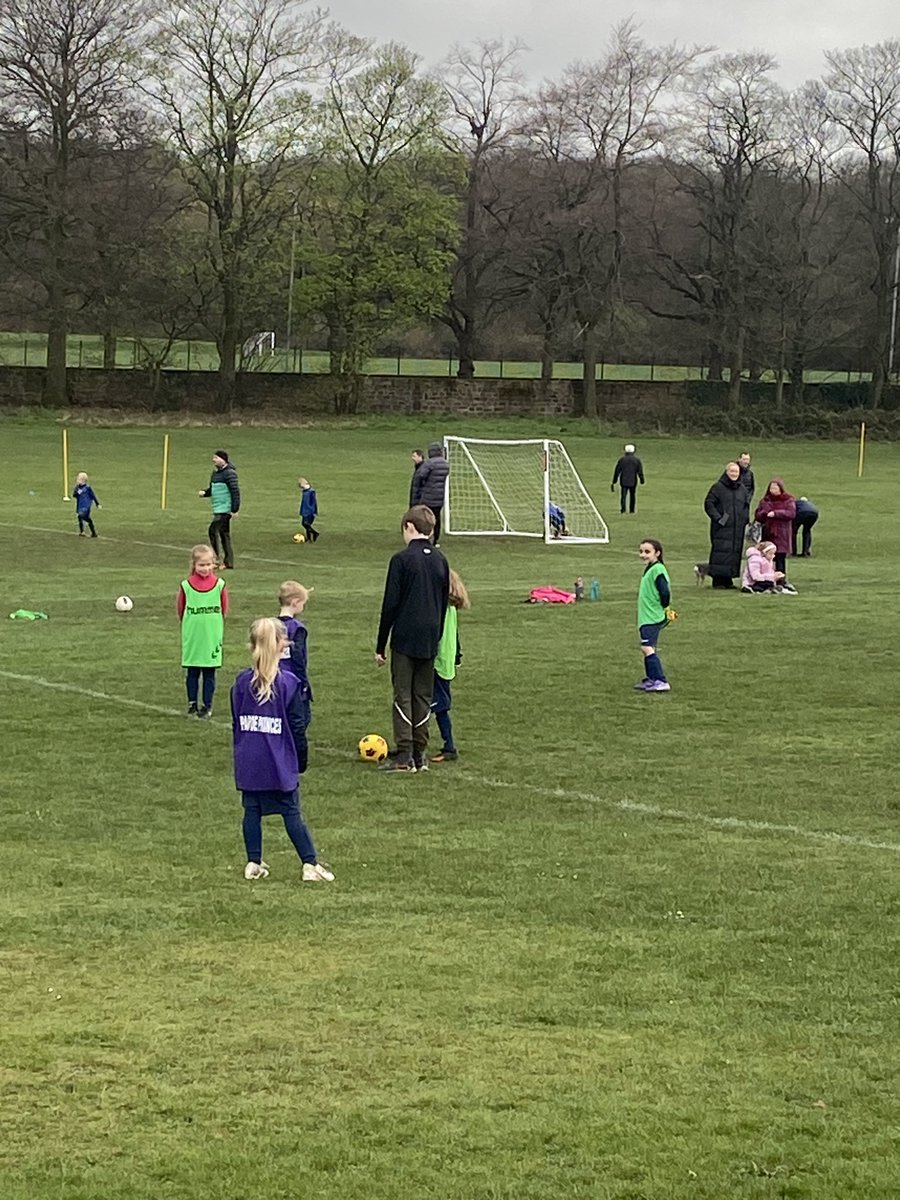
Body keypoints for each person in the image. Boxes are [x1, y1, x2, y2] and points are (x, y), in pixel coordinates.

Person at [231, 617, 334, 883]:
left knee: (252, 810)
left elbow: (236, 719)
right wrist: (300, 760)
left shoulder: (241, 682)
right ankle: (309, 863)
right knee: (291, 811)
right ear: (281, 646)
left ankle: (253, 862)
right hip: (278, 760)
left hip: (249, 758)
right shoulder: (289, 683)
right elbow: (298, 726)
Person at [375, 505, 449, 773]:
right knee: (423, 694)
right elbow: (442, 602)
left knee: (403, 694)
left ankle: (405, 754)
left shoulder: (401, 560)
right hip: (430, 636)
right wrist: (437, 636)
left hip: (406, 635)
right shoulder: (441, 559)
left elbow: (390, 604)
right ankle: (421, 753)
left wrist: (380, 645)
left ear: (409, 527)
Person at [177, 543, 228, 718]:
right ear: (194, 565)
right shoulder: (186, 585)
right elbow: (181, 610)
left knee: (209, 672)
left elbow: (224, 609)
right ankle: (192, 703)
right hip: (193, 635)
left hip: (211, 635)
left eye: (208, 564)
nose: (205, 569)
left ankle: (207, 705)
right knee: (192, 671)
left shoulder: (220, 584)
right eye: (201, 565)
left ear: (213, 564)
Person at [430, 569, 470, 763]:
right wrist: (457, 656)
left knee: (438, 706)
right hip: (446, 662)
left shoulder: (442, 607)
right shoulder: (451, 607)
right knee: (437, 704)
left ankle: (449, 747)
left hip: (438, 662)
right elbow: (454, 635)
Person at [276, 580, 313, 773]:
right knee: (301, 720)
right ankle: (297, 759)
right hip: (293, 682)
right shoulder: (297, 628)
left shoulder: (272, 626)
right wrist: (304, 683)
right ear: (295, 602)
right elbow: (299, 658)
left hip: (274, 679)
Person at [703, 462, 750, 589]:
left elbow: (746, 506)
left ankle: (728, 579)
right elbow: (709, 504)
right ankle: (718, 580)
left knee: (734, 552)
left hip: (737, 527)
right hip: (722, 527)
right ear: (726, 472)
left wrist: (745, 520)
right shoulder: (717, 487)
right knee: (721, 551)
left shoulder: (742, 489)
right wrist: (718, 518)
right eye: (732, 471)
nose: (734, 474)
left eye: (736, 472)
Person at [635, 538, 672, 692]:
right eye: (641, 551)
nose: (643, 555)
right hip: (648, 615)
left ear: (657, 553)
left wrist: (664, 607)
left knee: (647, 647)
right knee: (649, 647)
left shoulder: (657, 570)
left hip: (652, 616)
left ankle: (660, 680)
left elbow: (665, 591)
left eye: (647, 552)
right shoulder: (652, 568)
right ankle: (651, 678)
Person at [199, 450, 240, 569]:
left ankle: (217, 559)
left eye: (216, 458)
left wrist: (234, 509)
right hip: (217, 508)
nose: (213, 460)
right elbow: (214, 489)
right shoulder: (215, 473)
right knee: (224, 534)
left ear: (223, 459)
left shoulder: (230, 474)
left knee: (213, 530)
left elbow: (235, 492)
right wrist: (205, 493)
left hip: (225, 509)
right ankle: (228, 562)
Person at [755, 479, 797, 593]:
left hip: (781, 534)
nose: (773, 490)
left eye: (775, 488)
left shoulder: (788, 500)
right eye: (771, 488)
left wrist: (776, 513)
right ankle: (766, 580)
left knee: (780, 558)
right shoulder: (765, 501)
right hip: (768, 533)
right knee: (766, 559)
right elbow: (758, 515)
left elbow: (791, 513)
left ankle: (781, 581)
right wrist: (764, 514)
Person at [411, 442, 450, 545]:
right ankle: (436, 540)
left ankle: (425, 538)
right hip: (439, 497)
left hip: (428, 497)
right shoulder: (445, 464)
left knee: (426, 518)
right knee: (436, 518)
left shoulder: (429, 463)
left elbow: (421, 475)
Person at [610, 444, 645, 514]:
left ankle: (623, 509)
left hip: (623, 480)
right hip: (633, 480)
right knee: (633, 495)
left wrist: (614, 480)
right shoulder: (637, 460)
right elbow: (640, 471)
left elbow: (617, 470)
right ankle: (632, 510)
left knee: (623, 496)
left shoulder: (622, 460)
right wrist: (642, 480)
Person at [72, 471, 101, 538]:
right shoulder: (78, 488)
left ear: (83, 480)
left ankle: (92, 532)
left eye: (78, 479)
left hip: (86, 505)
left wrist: (97, 504)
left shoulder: (87, 488)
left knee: (83, 516)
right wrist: (77, 491)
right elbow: (74, 495)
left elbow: (93, 496)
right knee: (80, 517)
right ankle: (83, 532)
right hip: (80, 505)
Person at [298, 477, 319, 542]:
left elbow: (310, 503)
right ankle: (309, 538)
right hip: (306, 511)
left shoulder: (310, 492)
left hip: (308, 511)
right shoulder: (307, 491)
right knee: (306, 524)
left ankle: (315, 533)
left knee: (305, 524)